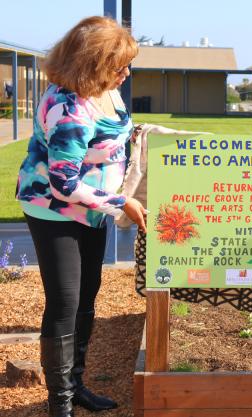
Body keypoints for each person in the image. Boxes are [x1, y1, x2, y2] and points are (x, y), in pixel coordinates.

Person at [15, 16, 147, 417]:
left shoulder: (107, 91)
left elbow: (110, 133)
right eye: (118, 66)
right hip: (55, 211)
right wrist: (122, 203)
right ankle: (62, 405)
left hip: (91, 211)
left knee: (87, 297)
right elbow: (63, 184)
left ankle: (77, 385)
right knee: (65, 302)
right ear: (92, 65)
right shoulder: (68, 107)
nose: (126, 73)